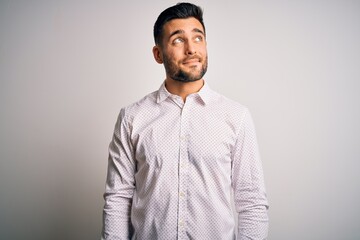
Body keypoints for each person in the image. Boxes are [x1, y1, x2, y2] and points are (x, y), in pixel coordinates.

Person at [102, 2, 269, 239]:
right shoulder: (132, 118)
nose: (191, 49)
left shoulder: (236, 117)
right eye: (178, 40)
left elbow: (252, 201)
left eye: (198, 38)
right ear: (158, 54)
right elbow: (118, 199)